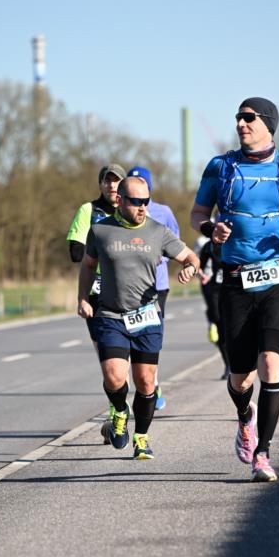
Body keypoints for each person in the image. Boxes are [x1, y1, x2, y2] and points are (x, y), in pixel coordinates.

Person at [191, 96, 279, 482]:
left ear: (268, 123)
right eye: (238, 117)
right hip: (235, 279)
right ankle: (244, 417)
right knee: (240, 378)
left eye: (248, 117)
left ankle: (263, 454)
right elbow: (198, 213)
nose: (240, 123)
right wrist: (208, 229)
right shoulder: (220, 167)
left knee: (271, 362)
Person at [77, 176, 200, 460]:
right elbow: (87, 265)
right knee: (115, 376)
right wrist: (83, 297)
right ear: (120, 200)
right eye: (136, 202)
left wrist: (190, 270)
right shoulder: (101, 230)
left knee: (146, 382)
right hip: (110, 314)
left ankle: (142, 438)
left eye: (146, 201)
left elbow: (191, 257)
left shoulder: (158, 231)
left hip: (146, 315)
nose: (143, 207)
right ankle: (120, 410)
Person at [67, 164, 126, 439]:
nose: (111, 187)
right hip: (97, 294)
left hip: (130, 290)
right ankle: (117, 414)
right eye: (107, 181)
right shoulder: (88, 211)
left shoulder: (132, 210)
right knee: (108, 359)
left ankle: (145, 393)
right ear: (100, 185)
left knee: (136, 359)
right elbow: (76, 253)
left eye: (116, 182)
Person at [126, 166, 180, 411]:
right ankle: (140, 385)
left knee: (150, 337)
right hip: (128, 287)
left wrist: (162, 259)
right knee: (128, 338)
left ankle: (152, 383)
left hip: (157, 286)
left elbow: (175, 242)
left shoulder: (163, 212)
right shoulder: (122, 213)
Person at [198, 236, 229, 377]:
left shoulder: (241, 238)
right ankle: (228, 365)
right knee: (221, 329)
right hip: (217, 291)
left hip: (239, 289)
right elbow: (199, 264)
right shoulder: (210, 246)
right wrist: (201, 275)